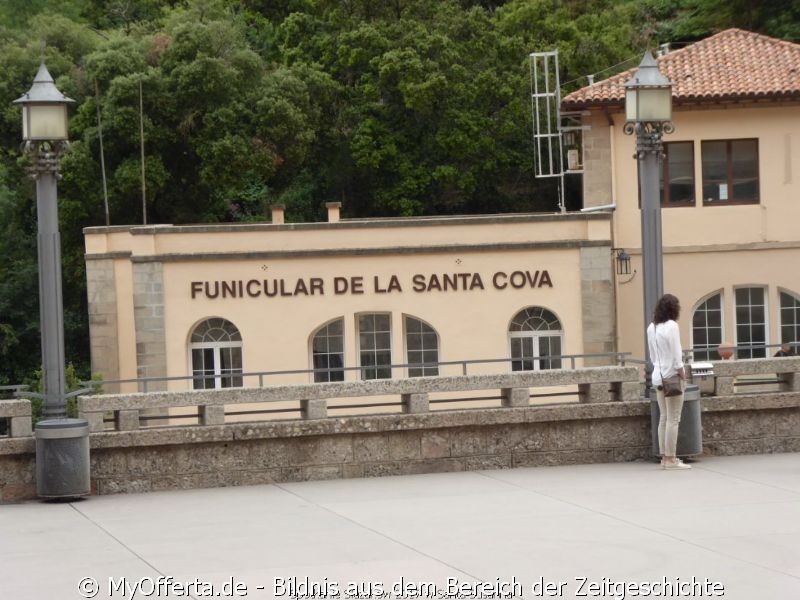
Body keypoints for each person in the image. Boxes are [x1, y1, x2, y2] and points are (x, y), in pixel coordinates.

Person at [647, 293, 690, 470]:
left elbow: (653, 355)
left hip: (657, 375)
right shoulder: (672, 326)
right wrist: (682, 374)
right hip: (671, 376)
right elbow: (676, 354)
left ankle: (664, 457)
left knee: (663, 418)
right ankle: (671, 459)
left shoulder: (652, 327)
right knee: (674, 418)